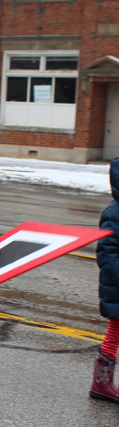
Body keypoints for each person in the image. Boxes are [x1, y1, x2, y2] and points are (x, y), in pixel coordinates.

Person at [92, 157, 119, 404]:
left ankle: (102, 384)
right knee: (114, 334)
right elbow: (106, 253)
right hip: (118, 287)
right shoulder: (115, 212)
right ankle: (101, 383)